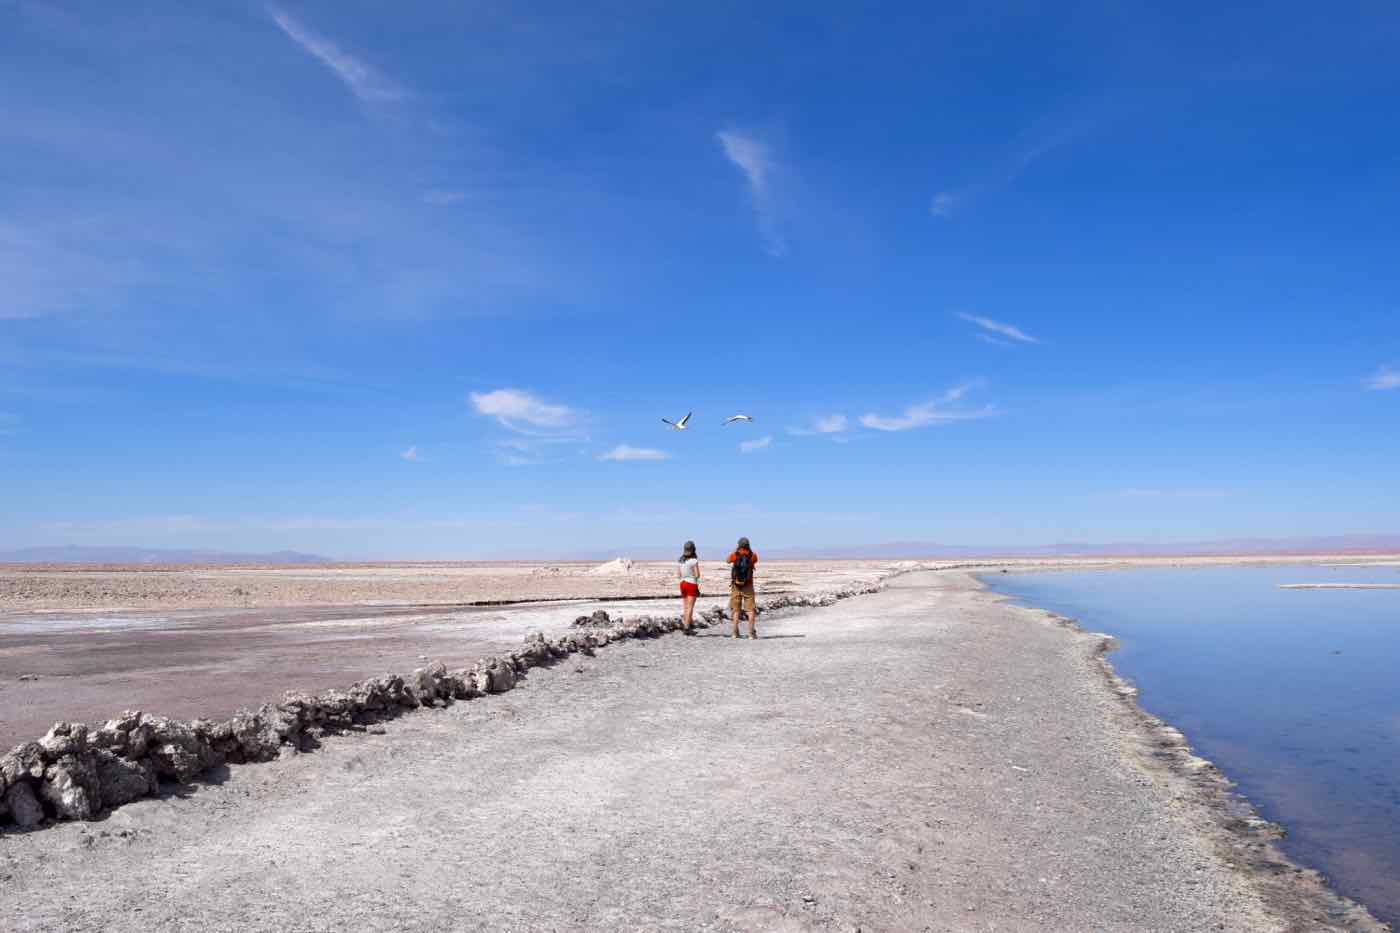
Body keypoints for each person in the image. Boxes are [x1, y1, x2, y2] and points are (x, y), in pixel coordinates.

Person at [726, 536, 758, 639]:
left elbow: (727, 560)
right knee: (750, 610)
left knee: (736, 610)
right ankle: (751, 633)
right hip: (748, 585)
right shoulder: (753, 556)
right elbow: (755, 561)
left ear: (739, 545)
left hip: (736, 585)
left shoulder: (735, 555)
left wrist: (735, 550)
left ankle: (735, 632)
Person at [677, 540, 701, 635]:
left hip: (682, 583)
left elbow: (678, 574)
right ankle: (686, 628)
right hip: (691, 584)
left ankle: (688, 625)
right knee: (690, 607)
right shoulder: (694, 561)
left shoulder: (680, 561)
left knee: (685, 606)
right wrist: (691, 575)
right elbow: (697, 575)